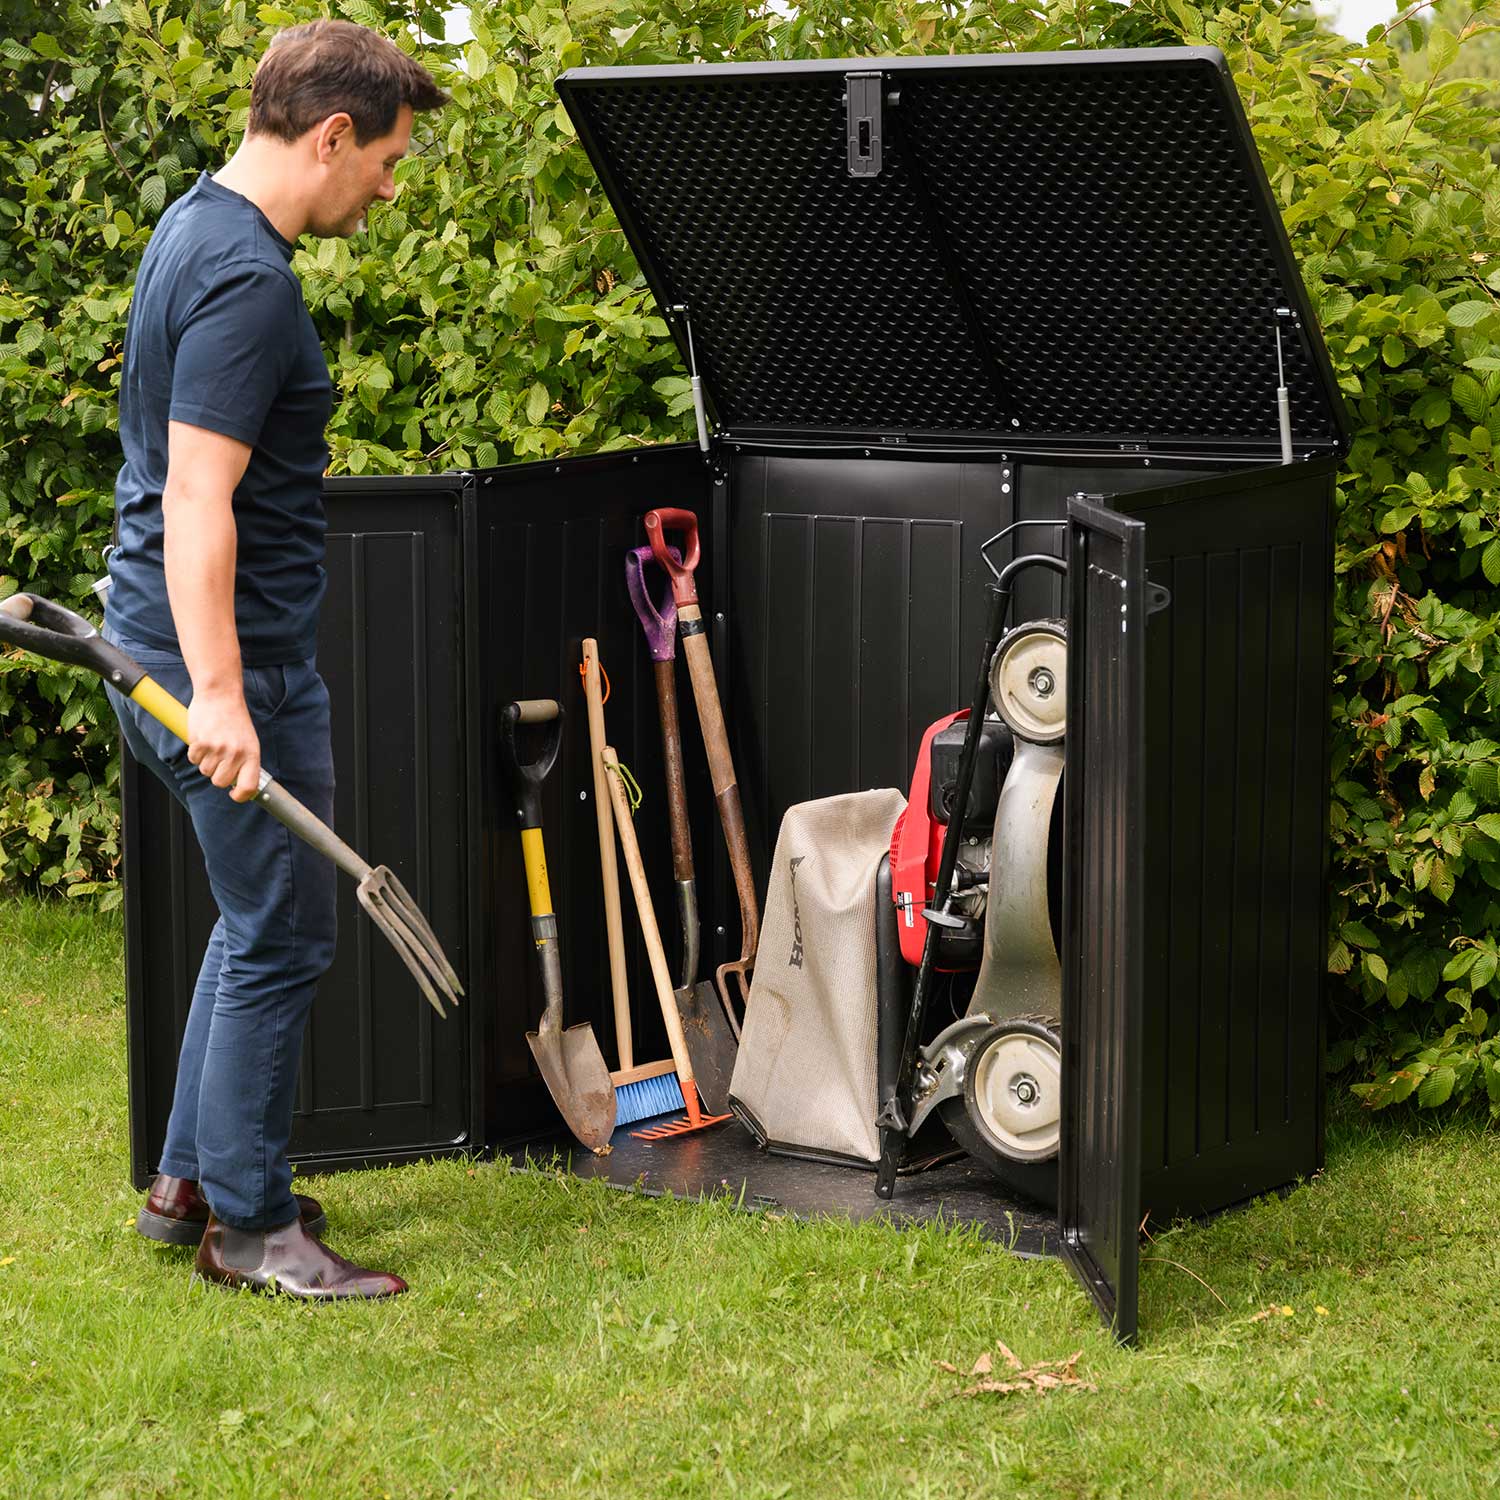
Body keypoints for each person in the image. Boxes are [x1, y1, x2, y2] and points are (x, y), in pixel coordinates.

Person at [102, 20, 448, 1300]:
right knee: (287, 938)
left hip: (161, 641)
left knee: (255, 924)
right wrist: (225, 698)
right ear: (333, 134)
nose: (389, 187)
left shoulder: (193, 225)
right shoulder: (248, 280)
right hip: (216, 665)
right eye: (388, 159)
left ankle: (188, 1180)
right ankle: (250, 1231)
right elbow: (198, 497)